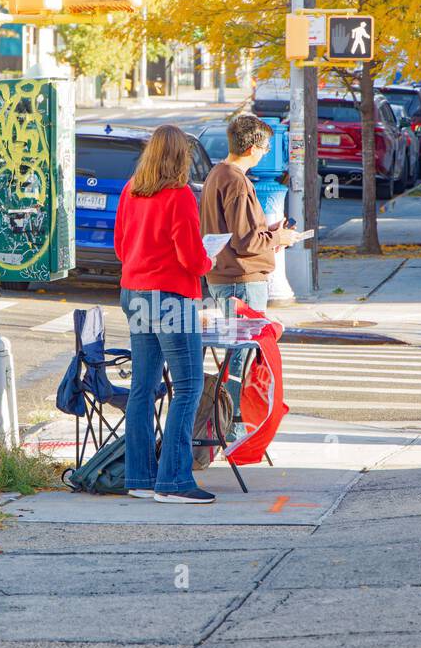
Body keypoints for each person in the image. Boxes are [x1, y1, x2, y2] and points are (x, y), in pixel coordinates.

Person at [114, 124, 215, 505]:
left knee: (143, 387)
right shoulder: (179, 196)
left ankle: (139, 476)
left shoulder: (131, 190)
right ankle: (173, 480)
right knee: (188, 386)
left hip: (135, 291)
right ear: (181, 156)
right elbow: (191, 258)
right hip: (171, 296)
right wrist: (210, 259)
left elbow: (121, 247)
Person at [199, 113, 300, 427]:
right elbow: (245, 242)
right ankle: (228, 426)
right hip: (240, 280)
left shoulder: (218, 173)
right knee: (238, 358)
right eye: (266, 147)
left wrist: (268, 232)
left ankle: (226, 423)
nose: (267, 152)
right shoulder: (237, 181)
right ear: (253, 147)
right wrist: (277, 237)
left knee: (234, 356)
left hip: (225, 276)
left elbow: (236, 233)